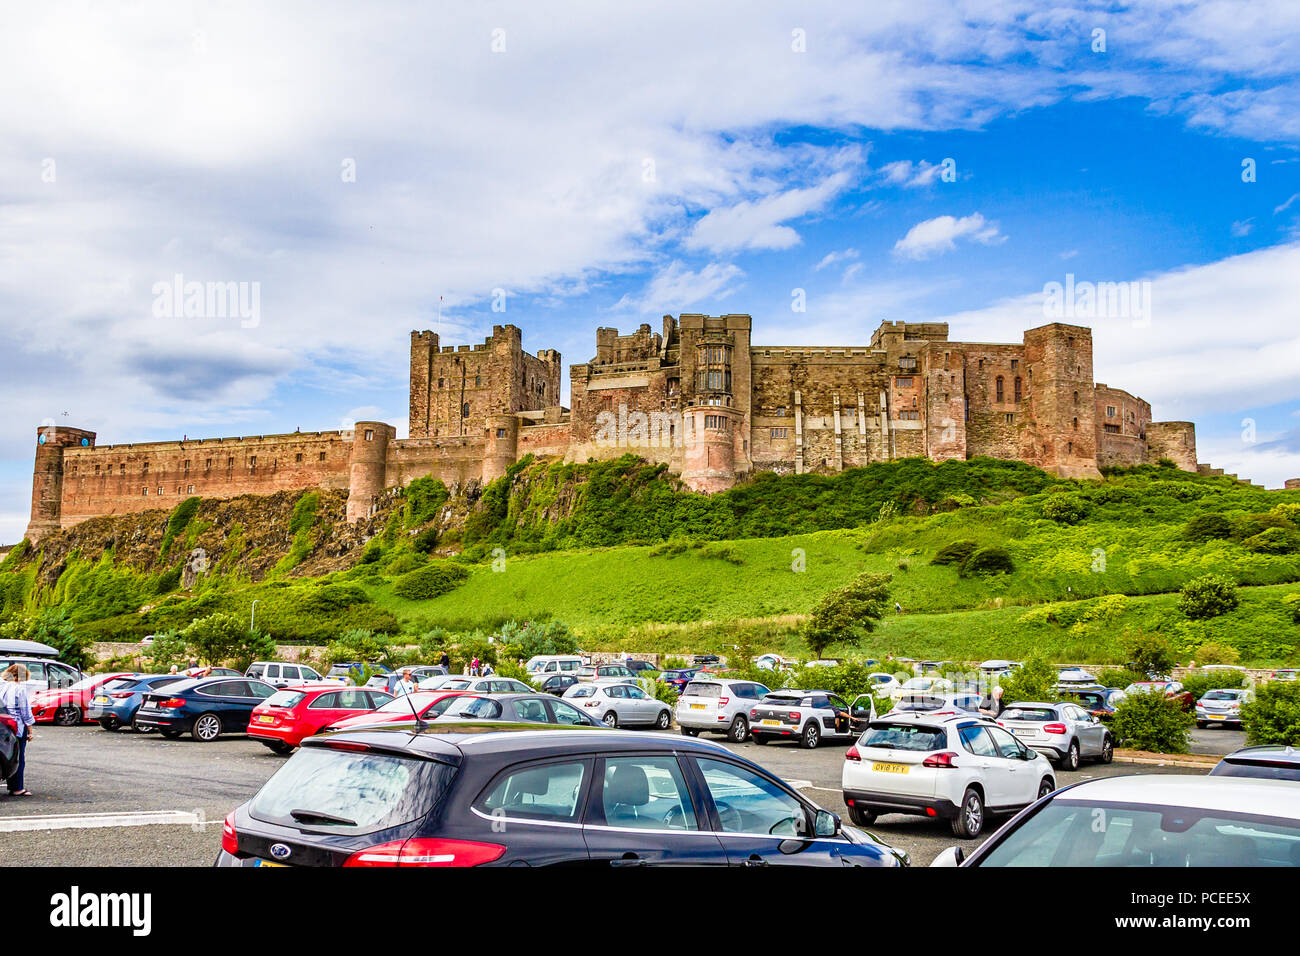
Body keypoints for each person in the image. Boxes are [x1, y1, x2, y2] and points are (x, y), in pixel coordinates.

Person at [1, 664, 36, 796]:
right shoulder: (19, 689)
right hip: (17, 727)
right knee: (18, 757)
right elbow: (25, 712)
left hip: (3, 725)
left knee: (5, 755)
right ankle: (17, 787)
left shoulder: (2, 686)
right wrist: (30, 731)